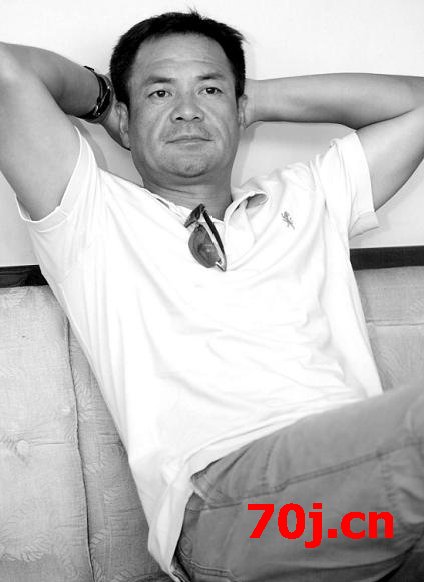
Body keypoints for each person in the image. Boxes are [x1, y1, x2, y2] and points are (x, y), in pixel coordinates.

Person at [1, 9, 424, 582]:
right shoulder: (90, 216)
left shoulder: (309, 196)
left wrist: (253, 100)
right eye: (159, 93)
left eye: (209, 89)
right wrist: (103, 100)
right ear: (125, 118)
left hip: (367, 491)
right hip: (231, 508)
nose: (186, 110)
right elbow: (6, 71)